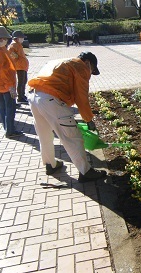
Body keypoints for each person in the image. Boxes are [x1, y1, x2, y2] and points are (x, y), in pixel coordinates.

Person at [27, 51, 107, 182]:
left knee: (44, 135)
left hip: (34, 96)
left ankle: (50, 164)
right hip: (51, 100)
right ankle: (85, 171)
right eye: (91, 70)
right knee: (72, 137)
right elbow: (82, 97)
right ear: (87, 63)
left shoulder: (60, 62)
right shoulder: (80, 66)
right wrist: (88, 119)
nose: (90, 73)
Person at [0, 26, 22, 138]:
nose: (6, 40)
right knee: (10, 108)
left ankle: (7, 128)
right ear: (0, 38)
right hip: (5, 85)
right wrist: (10, 87)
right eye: (5, 38)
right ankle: (10, 130)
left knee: (2, 107)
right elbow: (3, 71)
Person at [8, 30, 29, 104]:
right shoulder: (14, 45)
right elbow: (10, 52)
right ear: (16, 38)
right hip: (19, 66)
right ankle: (20, 97)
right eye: (21, 38)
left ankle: (22, 95)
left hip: (22, 66)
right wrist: (16, 57)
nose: (23, 39)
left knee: (24, 81)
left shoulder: (18, 44)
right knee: (21, 82)